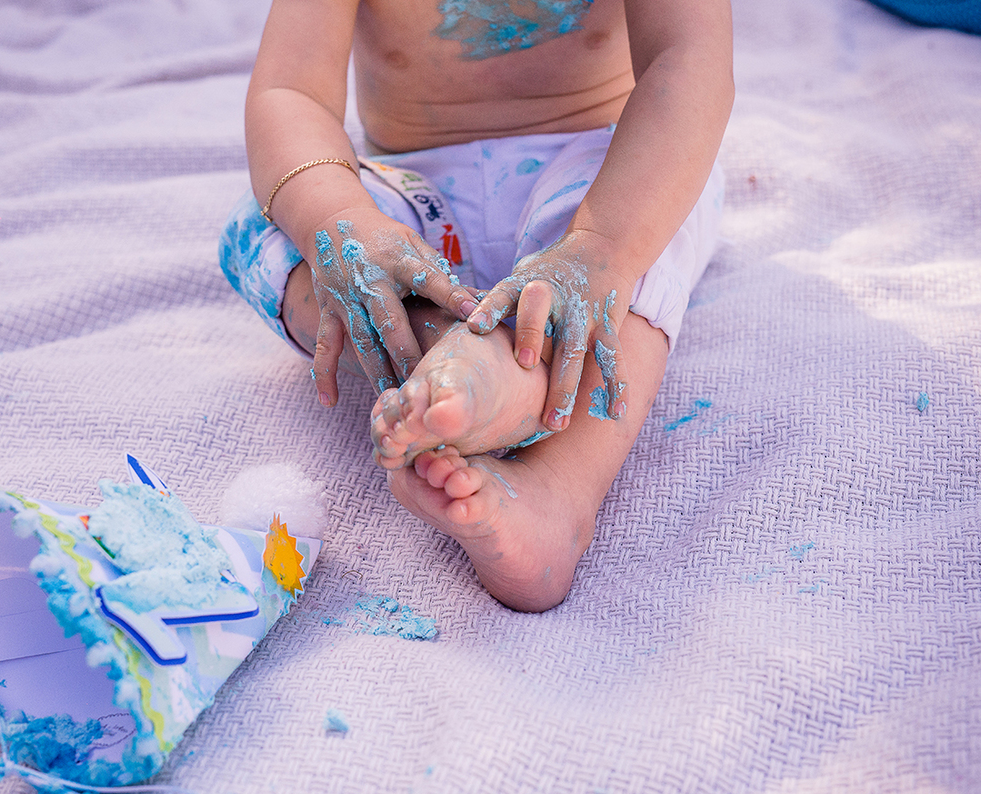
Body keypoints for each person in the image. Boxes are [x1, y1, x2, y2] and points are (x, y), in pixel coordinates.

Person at [220, 0, 733, 612]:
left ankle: (558, 488)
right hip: (411, 197)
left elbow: (688, 66)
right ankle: (454, 351)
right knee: (263, 231)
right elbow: (290, 90)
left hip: (597, 184)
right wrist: (341, 217)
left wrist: (603, 247)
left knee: (662, 211)